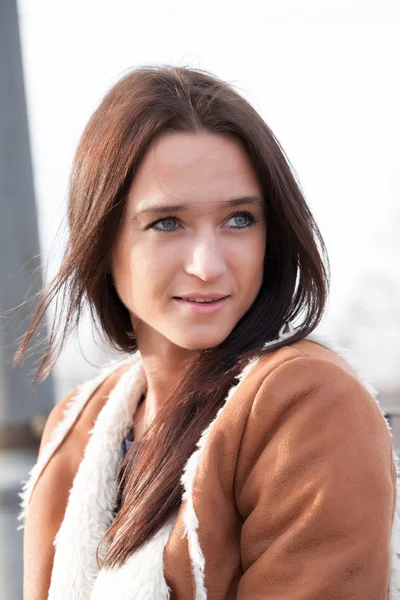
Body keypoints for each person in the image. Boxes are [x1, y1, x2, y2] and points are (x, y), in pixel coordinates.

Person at [15, 65, 400, 599]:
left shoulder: (306, 402)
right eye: (167, 223)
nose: (208, 265)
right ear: (103, 238)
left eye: (239, 219)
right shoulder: (77, 425)